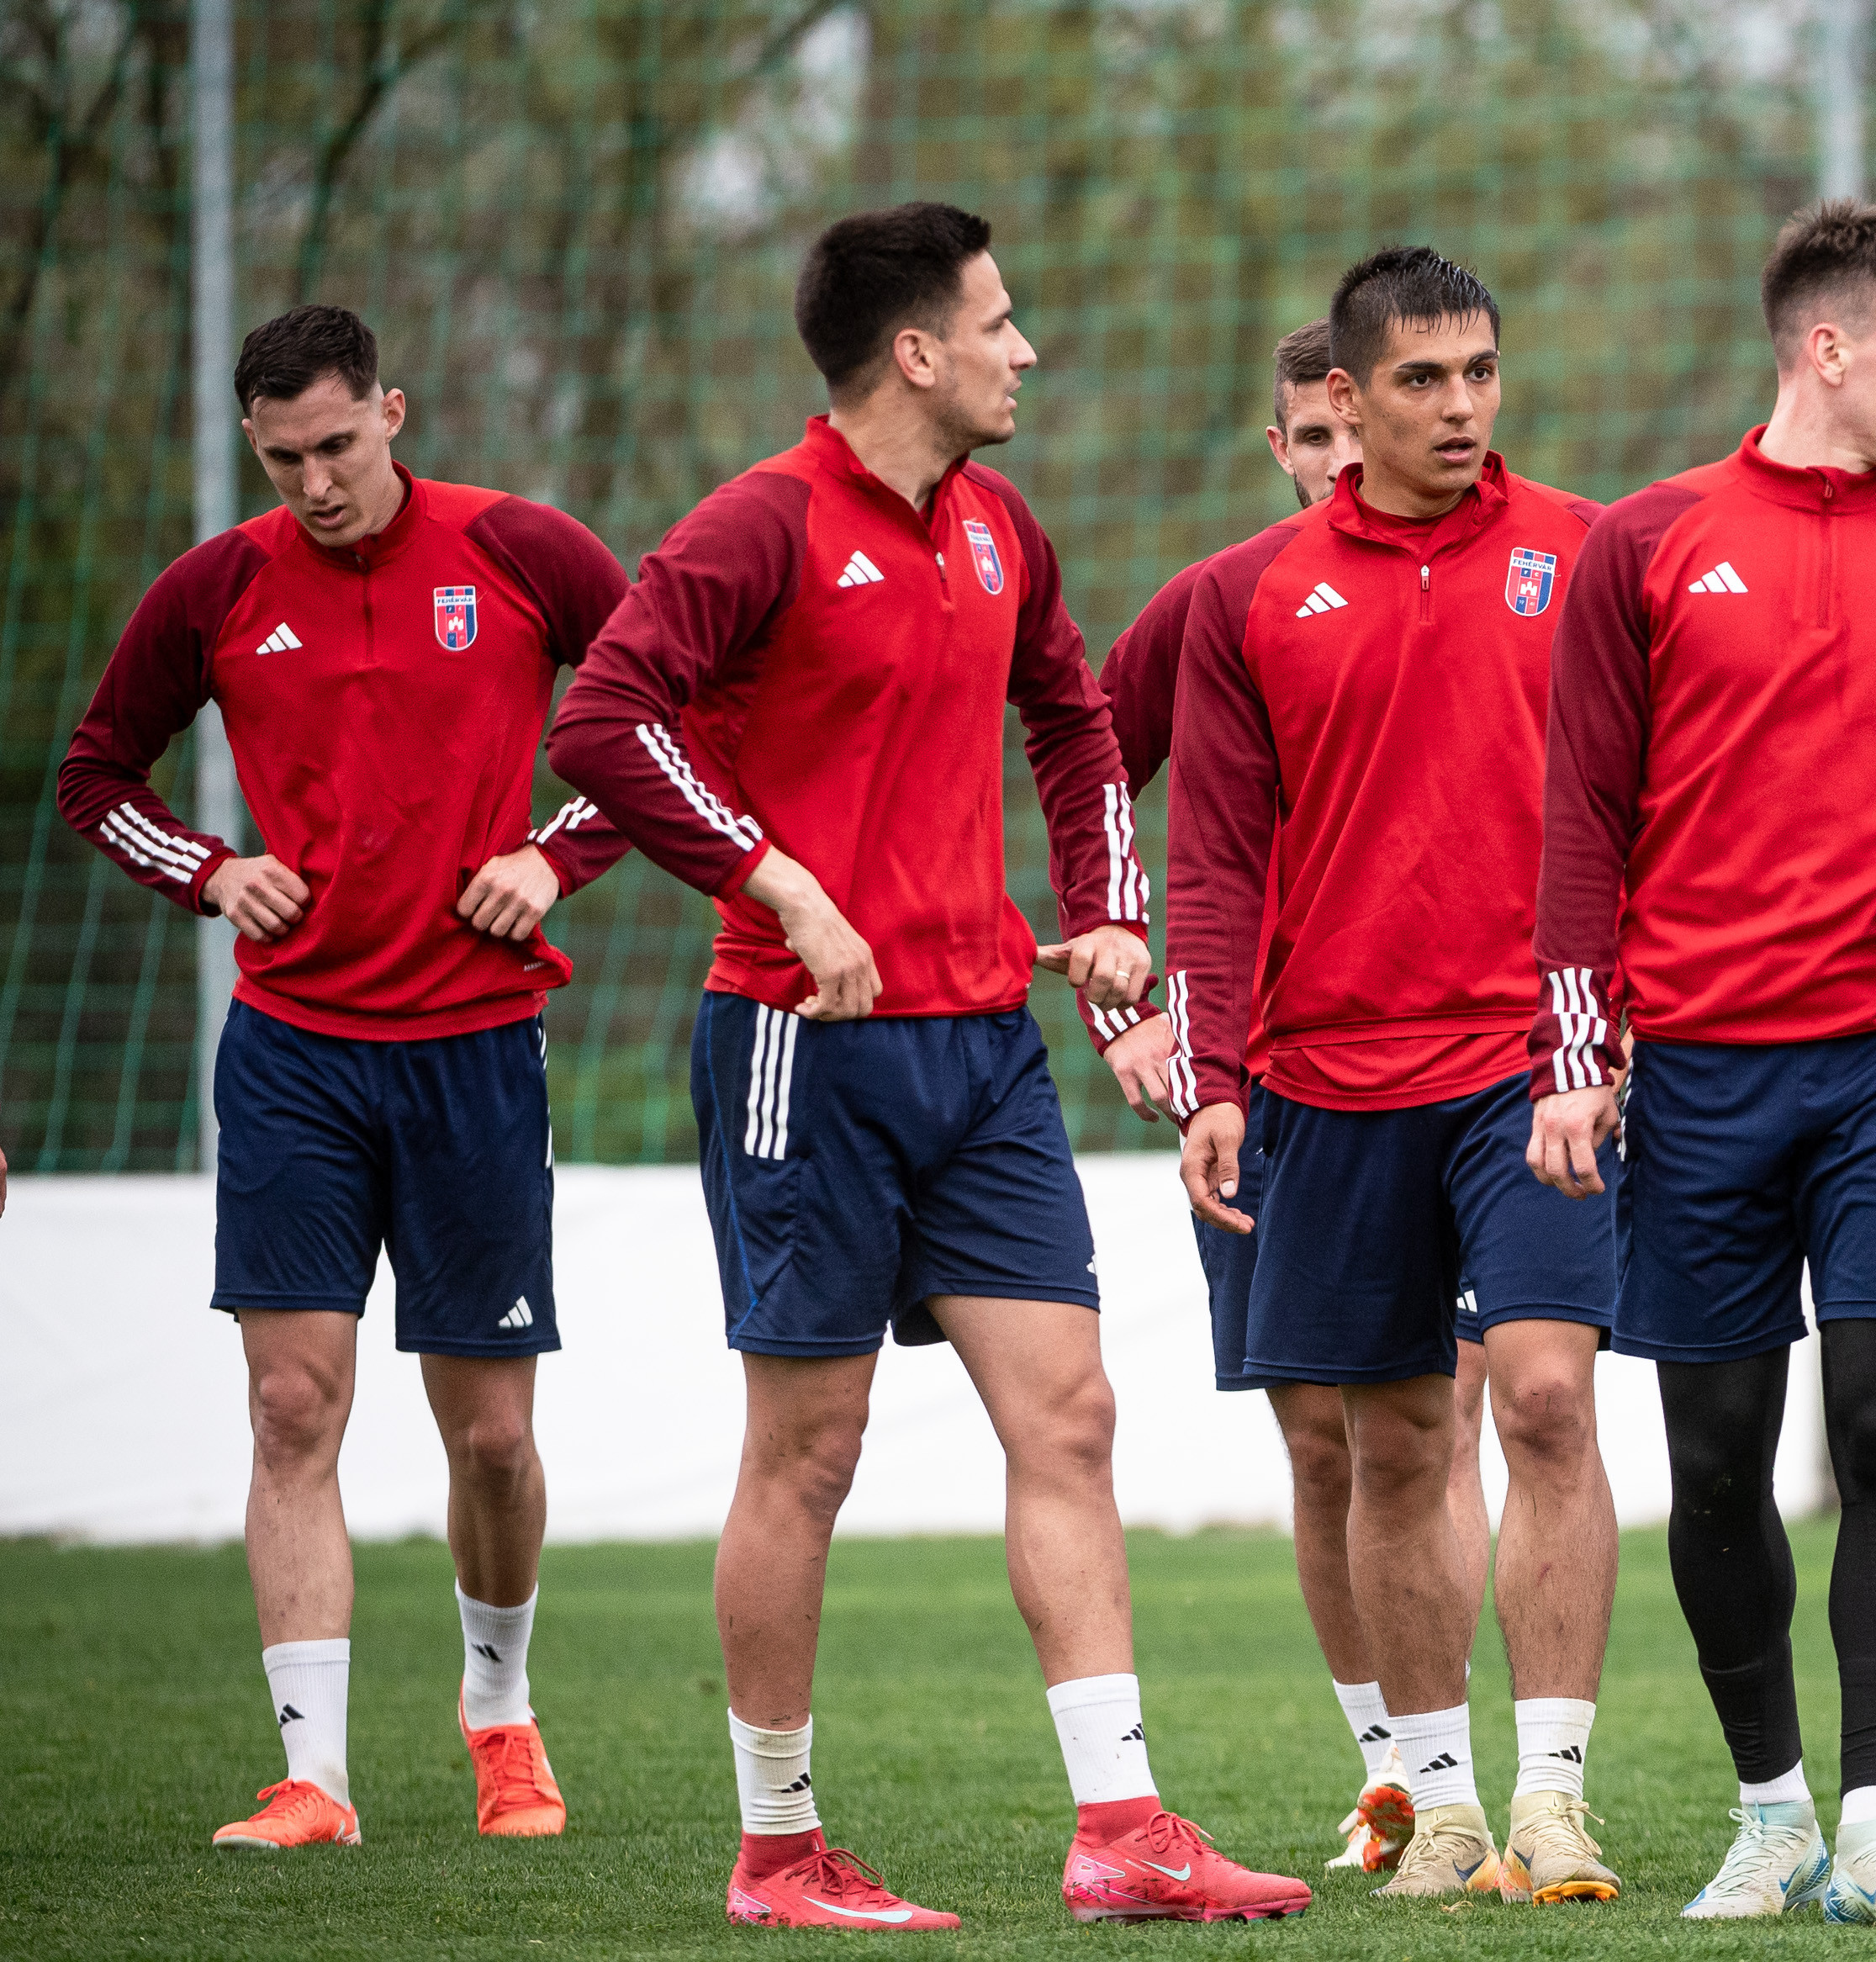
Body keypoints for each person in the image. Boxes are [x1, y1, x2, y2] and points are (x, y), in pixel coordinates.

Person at [547, 201, 1308, 1933]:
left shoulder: (998, 525)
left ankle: (1122, 1830)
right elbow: (604, 721)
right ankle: (777, 1850)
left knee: (1073, 1416)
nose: (1022, 349)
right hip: (798, 1050)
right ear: (915, 351)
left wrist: (1105, 912)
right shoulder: (758, 524)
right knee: (810, 1450)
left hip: (984, 1051)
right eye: (996, 321)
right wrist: (778, 881)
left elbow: (1078, 721)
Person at [1530, 200, 1876, 1930]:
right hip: (1698, 1078)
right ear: (1827, 347)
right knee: (1716, 1454)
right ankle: (1771, 1817)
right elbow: (1581, 823)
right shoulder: (1648, 542)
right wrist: (1574, 1056)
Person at [57, 304, 631, 1854]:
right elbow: (94, 773)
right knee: (290, 1402)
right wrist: (208, 868)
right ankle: (313, 1777)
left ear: (393, 410)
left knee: (491, 1437)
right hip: (295, 1054)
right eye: (282, 458)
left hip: (476, 1047)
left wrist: (554, 855)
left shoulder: (522, 550)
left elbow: (673, 725)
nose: (314, 482)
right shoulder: (218, 588)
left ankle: (500, 1714)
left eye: (335, 445)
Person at [1162, 248, 1622, 1906]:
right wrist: (1211, 1069)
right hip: (1329, 1079)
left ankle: (1553, 1801)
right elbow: (1209, 857)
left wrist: (1620, 1022)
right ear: (1343, 403)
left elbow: (1667, 794)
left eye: (1480, 372)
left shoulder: (1589, 554)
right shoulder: (1244, 598)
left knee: (1548, 1397)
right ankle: (1436, 1806)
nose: (1460, 405)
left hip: (1533, 1066)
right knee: (1397, 1444)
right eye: (1423, 379)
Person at [1095, 317, 1494, 1877]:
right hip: (1268, 1088)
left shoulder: (1499, 574)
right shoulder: (1224, 600)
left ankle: (1473, 1776)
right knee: (1323, 1443)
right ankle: (1389, 1769)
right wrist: (1131, 999)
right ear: (1289, 445)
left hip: (1465, 1071)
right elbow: (1089, 779)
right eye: (1316, 442)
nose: (1346, 464)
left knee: (1453, 1420)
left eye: (1359, 434)